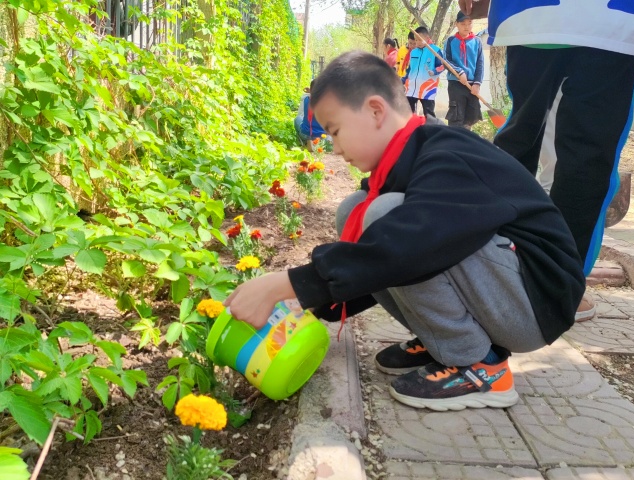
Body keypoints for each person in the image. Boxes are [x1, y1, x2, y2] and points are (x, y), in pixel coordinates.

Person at [224, 51, 585, 411]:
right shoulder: (403, 163)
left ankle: (480, 365)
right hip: (504, 290)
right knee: (359, 208)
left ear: (376, 111)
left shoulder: (448, 154)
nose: (334, 147)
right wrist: (311, 302)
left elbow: (409, 245)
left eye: (335, 131)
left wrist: (286, 283)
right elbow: (385, 263)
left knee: (387, 217)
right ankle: (442, 341)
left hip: (535, 302)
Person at [458, 0, 634, 320]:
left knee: (518, 138)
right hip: (612, 19)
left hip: (531, 14)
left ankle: (490, 268)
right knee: (588, 156)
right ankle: (558, 289)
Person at [443, 11, 485, 129]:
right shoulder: (450, 41)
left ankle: (466, 141)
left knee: (470, 117)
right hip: (456, 84)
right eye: (463, 24)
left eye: (469, 23)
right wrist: (459, 72)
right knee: (456, 116)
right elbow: (446, 60)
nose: (466, 27)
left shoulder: (477, 41)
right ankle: (453, 142)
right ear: (457, 24)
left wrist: (477, 83)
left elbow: (480, 64)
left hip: (472, 86)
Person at [402, 26, 444, 118]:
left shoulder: (435, 50)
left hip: (427, 88)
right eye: (416, 40)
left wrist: (434, 71)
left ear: (427, 38)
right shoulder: (413, 52)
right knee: (408, 113)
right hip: (412, 87)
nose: (418, 43)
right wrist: (404, 79)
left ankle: (431, 131)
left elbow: (442, 66)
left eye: (420, 40)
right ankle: (412, 131)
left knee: (429, 115)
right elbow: (410, 69)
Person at [293, 79, 328, 151]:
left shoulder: (306, 99)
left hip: (307, 134)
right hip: (323, 135)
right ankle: (319, 143)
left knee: (297, 119)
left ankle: (306, 143)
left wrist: (310, 92)